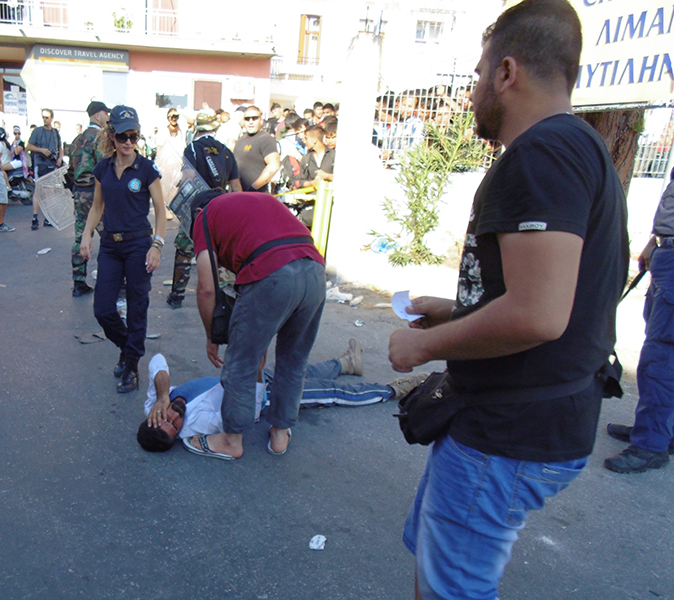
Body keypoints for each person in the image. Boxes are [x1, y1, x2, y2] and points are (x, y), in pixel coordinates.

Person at [386, 2, 628, 597]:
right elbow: (548, 295)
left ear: (507, 73)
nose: (471, 92)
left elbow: (539, 314)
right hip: (516, 421)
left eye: (476, 75)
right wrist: (456, 309)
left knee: (454, 591)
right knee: (439, 576)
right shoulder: (578, 148)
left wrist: (423, 345)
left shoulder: (542, 155)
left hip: (508, 432)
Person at [184, 190, 326, 460]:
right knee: (294, 359)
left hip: (273, 274)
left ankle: (230, 440)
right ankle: (280, 434)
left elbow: (206, 288)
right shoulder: (254, 202)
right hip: (315, 272)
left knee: (241, 362)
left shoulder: (205, 216)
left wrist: (211, 336)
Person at [138, 344, 428, 453]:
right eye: (175, 426)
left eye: (167, 419)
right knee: (332, 394)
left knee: (304, 370)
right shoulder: (197, 425)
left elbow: (158, 360)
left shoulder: (157, 403)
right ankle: (394, 390)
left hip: (250, 378)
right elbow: (245, 413)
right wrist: (257, 372)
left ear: (153, 418)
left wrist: (163, 395)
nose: (175, 417)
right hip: (260, 392)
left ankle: (347, 363)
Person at [80, 105, 167, 393]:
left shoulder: (146, 169)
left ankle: (131, 366)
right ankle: (128, 347)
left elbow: (160, 211)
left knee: (137, 306)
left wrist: (157, 245)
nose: (128, 142)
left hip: (139, 245)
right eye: (122, 136)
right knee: (103, 309)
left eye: (134, 136)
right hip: (110, 246)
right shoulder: (102, 168)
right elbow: (96, 207)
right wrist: (86, 236)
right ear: (112, 136)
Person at [604, 171, 674, 473]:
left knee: (660, 359)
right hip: (665, 251)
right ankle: (659, 430)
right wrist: (655, 242)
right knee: (661, 352)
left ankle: (651, 444)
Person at [165, 111, 243, 310]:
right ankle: (221, 295)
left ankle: (177, 295)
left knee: (184, 249)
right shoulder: (226, 151)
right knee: (219, 250)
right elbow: (236, 188)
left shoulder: (193, 147)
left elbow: (188, 178)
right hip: (221, 207)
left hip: (199, 209)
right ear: (214, 128)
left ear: (197, 128)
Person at [68, 100, 110, 297]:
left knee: (80, 235)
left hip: (79, 192)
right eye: (105, 113)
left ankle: (79, 280)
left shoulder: (77, 139)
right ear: (97, 115)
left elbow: (69, 170)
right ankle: (110, 279)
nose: (108, 117)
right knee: (108, 235)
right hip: (96, 193)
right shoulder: (100, 138)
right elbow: (105, 166)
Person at [26, 108, 63, 229]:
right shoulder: (38, 131)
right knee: (38, 190)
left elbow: (60, 147)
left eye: (47, 117)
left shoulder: (56, 133)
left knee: (50, 192)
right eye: (43, 117)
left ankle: (48, 218)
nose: (45, 119)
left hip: (52, 164)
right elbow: (29, 146)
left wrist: (60, 158)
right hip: (40, 163)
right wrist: (42, 150)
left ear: (51, 118)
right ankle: (35, 217)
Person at [233, 105, 280, 193]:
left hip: (257, 196)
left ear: (261, 120)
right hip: (239, 195)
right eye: (247, 119)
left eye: (254, 118)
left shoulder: (266, 139)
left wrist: (254, 187)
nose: (251, 122)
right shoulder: (240, 140)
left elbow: (274, 165)